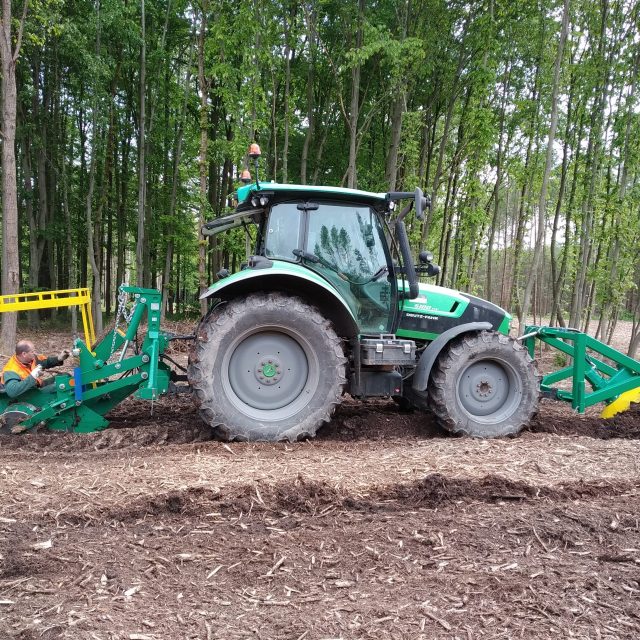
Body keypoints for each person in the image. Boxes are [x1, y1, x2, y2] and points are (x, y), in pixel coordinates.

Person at [1, 340, 70, 399]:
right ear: (24, 354)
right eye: (32, 352)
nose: (34, 353)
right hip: (27, 396)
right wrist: (33, 376)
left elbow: (45, 362)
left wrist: (59, 358)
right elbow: (12, 391)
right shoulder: (11, 370)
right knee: (60, 385)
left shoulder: (30, 359)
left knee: (65, 377)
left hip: (36, 387)